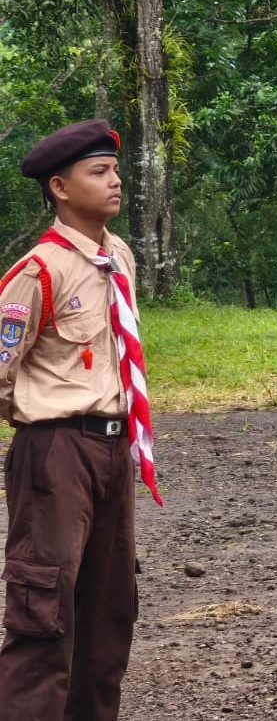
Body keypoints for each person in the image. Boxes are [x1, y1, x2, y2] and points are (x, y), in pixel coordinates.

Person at [0, 119, 158, 721]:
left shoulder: (119, 257)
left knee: (108, 613)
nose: (115, 182)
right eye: (99, 173)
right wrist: (39, 425)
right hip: (56, 453)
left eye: (115, 170)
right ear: (61, 188)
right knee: (45, 613)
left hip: (114, 450)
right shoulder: (39, 272)